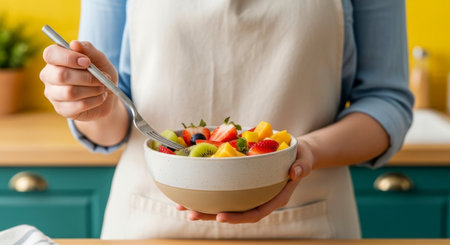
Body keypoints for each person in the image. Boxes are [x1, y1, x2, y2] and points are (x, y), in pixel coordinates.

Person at [39, 0, 413, 239]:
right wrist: (93, 104)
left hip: (311, 222)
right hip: (147, 221)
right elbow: (109, 127)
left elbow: (386, 101)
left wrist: (306, 151)